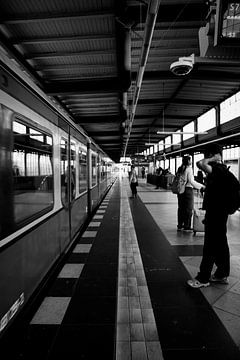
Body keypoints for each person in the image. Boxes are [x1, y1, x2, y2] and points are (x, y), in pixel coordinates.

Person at [187, 144, 230, 288]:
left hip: (216, 215)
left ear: (213, 155)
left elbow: (200, 164)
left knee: (210, 247)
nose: (205, 158)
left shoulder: (217, 169)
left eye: (207, 155)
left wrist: (212, 158)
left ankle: (203, 278)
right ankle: (221, 274)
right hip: (219, 214)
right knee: (221, 245)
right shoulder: (222, 170)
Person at [177, 155, 205, 232]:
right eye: (190, 160)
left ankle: (180, 225)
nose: (191, 161)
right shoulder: (189, 169)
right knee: (189, 208)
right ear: (188, 161)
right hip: (188, 190)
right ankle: (187, 226)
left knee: (181, 208)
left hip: (180, 190)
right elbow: (191, 181)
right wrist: (201, 186)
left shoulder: (180, 168)